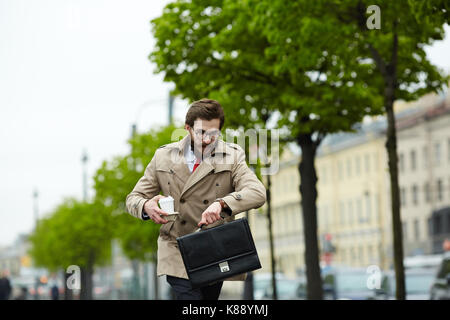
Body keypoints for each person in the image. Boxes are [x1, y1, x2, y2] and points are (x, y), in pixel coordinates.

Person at [126, 98, 266, 300]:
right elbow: (133, 198)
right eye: (201, 133)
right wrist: (145, 206)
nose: (208, 139)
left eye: (214, 133)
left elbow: (257, 192)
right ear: (188, 128)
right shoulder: (163, 157)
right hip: (176, 248)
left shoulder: (232, 156)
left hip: (214, 247)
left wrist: (221, 204)